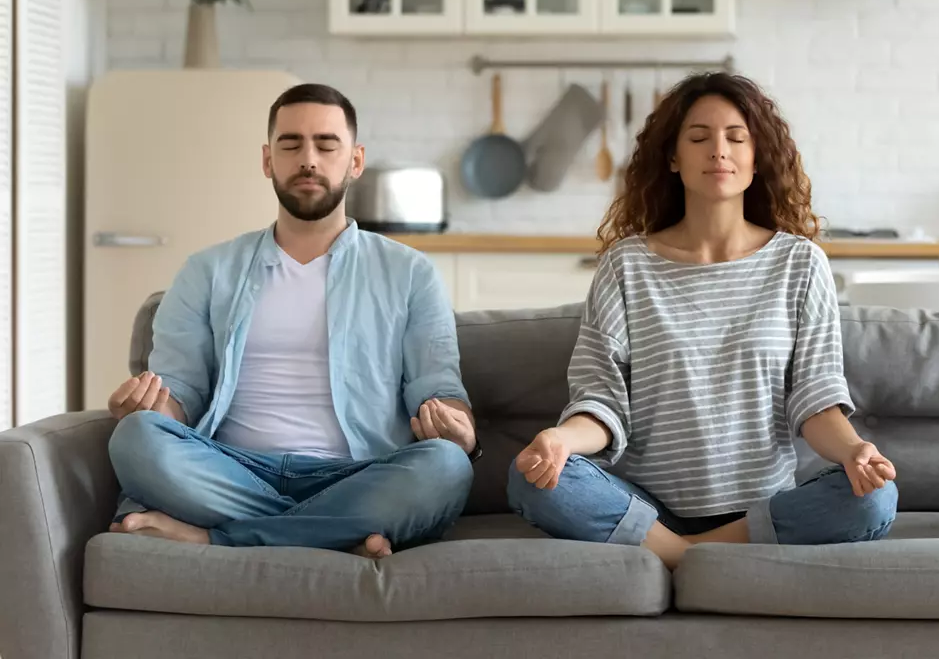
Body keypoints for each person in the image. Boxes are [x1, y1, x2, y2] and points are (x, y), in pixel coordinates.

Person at [506, 72, 898, 570]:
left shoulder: (800, 263)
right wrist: (561, 440)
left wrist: (856, 450)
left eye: (736, 138)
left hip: (762, 506)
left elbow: (815, 400)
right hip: (648, 506)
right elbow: (602, 402)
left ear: (757, 157)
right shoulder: (626, 265)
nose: (719, 150)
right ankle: (698, 554)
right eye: (698, 138)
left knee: (875, 497)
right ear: (672, 157)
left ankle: (679, 556)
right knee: (530, 477)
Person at [106, 83, 478, 558]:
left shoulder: (410, 273)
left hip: (358, 473)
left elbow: (438, 387)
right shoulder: (206, 271)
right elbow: (181, 392)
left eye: (326, 145)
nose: (308, 160)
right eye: (291, 144)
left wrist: (461, 431)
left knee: (445, 466)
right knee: (136, 438)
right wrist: (149, 409)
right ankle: (335, 535)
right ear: (268, 160)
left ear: (356, 161)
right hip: (234, 469)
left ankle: (216, 539)